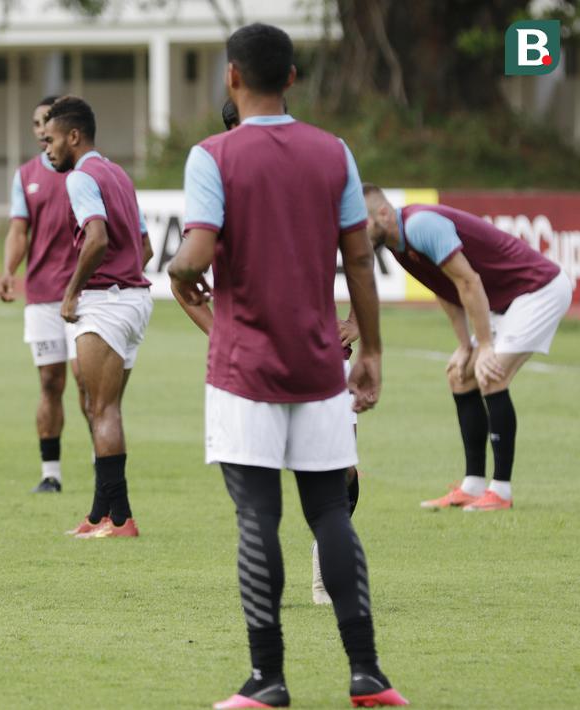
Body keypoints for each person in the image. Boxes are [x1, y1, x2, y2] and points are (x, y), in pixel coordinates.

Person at [170, 24, 407, 708]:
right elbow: (359, 258)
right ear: (293, 78)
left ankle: (266, 680)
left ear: (231, 78)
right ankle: (367, 674)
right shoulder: (332, 152)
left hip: (244, 366)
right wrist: (372, 351)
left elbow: (196, 251)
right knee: (331, 513)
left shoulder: (211, 155)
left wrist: (178, 270)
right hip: (317, 366)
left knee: (256, 518)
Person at [217, 99, 362, 606]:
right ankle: (269, 609)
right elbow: (196, 276)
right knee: (259, 487)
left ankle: (325, 579)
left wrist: (360, 326)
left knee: (340, 473)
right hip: (252, 360)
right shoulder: (219, 175)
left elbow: (360, 253)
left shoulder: (318, 162)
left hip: (320, 353)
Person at [364, 185, 573, 511]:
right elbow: (443, 287)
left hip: (538, 289)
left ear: (382, 214)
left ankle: (501, 492)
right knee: (459, 375)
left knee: (490, 373)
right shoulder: (397, 245)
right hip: (505, 302)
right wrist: (465, 345)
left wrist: (485, 346)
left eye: (358, 222)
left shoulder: (421, 225)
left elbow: (468, 282)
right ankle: (473, 485)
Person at [42, 96, 154, 539]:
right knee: (99, 406)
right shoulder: (118, 174)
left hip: (105, 302)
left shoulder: (81, 177)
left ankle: (122, 520)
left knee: (101, 409)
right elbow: (143, 246)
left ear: (74, 136)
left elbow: (97, 238)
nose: (47, 149)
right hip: (131, 300)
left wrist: (72, 293)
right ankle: (100, 515)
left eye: (51, 140)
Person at [0, 95, 89, 493]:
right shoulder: (26, 175)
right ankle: (51, 473)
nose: (40, 130)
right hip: (43, 297)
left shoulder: (85, 173)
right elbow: (19, 230)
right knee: (50, 383)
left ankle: (103, 462)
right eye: (36, 123)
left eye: (46, 122)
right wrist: (8, 270)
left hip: (87, 296)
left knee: (88, 381)